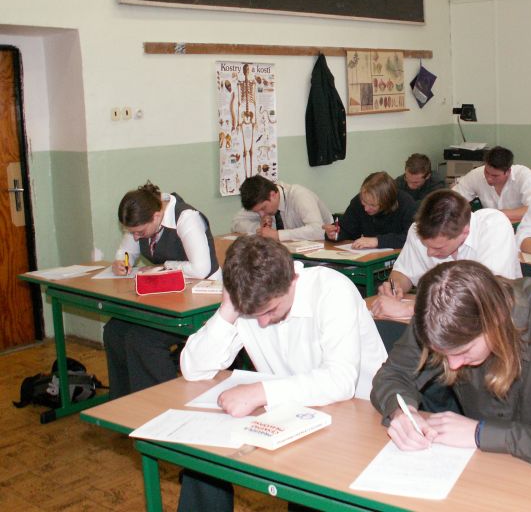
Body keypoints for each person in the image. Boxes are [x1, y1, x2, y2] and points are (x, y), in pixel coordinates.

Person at [370, 261, 531, 509]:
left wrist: (481, 434)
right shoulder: (438, 314)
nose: (453, 365)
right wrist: (402, 412)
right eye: (443, 354)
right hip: (490, 466)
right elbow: (392, 374)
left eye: (464, 351)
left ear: (495, 319)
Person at [178, 235, 387, 511]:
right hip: (295, 414)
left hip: (358, 420)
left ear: (292, 280)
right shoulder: (252, 299)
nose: (263, 322)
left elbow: (340, 381)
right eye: (254, 314)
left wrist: (260, 392)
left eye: (271, 310)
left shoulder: (331, 290)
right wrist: (228, 310)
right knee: (202, 464)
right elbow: (193, 368)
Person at [104, 182, 220, 400]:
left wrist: (166, 266)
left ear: (157, 216)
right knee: (115, 331)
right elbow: (126, 251)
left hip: (201, 301)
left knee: (142, 340)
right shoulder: (144, 220)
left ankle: (163, 403)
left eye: (139, 232)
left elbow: (201, 269)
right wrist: (121, 262)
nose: (136, 237)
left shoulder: (186, 218)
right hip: (167, 298)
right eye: (132, 232)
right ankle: (124, 402)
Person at [371, 190, 521, 320]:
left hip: (497, 321)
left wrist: (410, 308)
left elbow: (487, 297)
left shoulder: (493, 226)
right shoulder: (418, 230)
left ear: (464, 232)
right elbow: (403, 272)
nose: (429, 253)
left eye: (438, 247)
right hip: (441, 323)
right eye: (426, 245)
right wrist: (395, 287)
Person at [323, 171, 417, 249]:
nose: (366, 208)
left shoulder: (406, 204)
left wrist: (378, 241)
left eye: (373, 205)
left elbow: (413, 238)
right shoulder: (358, 202)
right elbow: (348, 229)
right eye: (364, 202)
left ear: (387, 202)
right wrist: (335, 234)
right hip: (369, 257)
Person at [230, 175, 333, 241]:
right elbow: (236, 223)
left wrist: (278, 235)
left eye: (263, 208)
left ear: (273, 195)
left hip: (326, 247)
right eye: (257, 212)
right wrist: (259, 228)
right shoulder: (260, 201)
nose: (261, 214)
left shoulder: (299, 195)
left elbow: (319, 230)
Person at [451, 145, 531, 222]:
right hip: (489, 226)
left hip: (520, 226)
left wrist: (497, 214)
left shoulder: (524, 176)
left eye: (495, 176)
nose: (489, 178)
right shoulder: (476, 174)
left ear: (508, 171)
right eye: (486, 172)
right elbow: (453, 199)